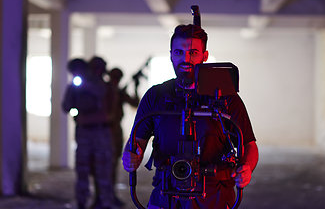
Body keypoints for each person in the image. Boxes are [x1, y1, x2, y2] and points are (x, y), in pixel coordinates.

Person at [122, 24, 259, 208]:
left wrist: (247, 168)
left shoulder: (225, 97)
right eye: (179, 52)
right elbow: (136, 142)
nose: (185, 59)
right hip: (167, 194)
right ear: (171, 54)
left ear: (205, 56)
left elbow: (249, 144)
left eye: (193, 53)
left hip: (213, 194)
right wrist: (131, 157)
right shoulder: (156, 96)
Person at [62, 57, 113, 209]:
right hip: (84, 132)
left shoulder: (97, 82)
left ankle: (105, 202)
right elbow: (65, 106)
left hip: (100, 131)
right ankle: (82, 201)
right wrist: (74, 90)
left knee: (103, 170)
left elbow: (101, 93)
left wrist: (84, 85)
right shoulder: (74, 86)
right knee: (82, 169)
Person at [108, 68, 140, 206]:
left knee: (113, 164)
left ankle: (110, 195)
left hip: (115, 131)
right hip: (105, 130)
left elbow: (135, 103)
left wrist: (136, 87)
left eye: (118, 78)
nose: (116, 80)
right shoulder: (105, 91)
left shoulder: (120, 93)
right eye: (114, 77)